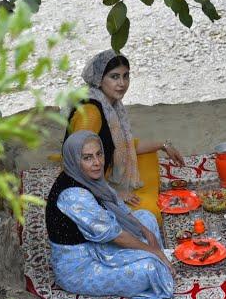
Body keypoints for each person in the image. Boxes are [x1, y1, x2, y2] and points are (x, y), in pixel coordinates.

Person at [45, 130, 174, 299]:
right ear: (75, 160)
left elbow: (116, 203)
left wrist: (145, 232)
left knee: (146, 218)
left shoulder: (87, 176)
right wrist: (153, 251)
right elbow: (115, 235)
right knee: (150, 269)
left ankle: (159, 260)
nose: (97, 162)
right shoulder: (73, 195)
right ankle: (160, 262)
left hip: (98, 245)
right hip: (80, 267)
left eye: (99, 154)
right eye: (87, 158)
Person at [64, 51, 185, 224]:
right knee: (149, 215)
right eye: (114, 77)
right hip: (89, 185)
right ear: (99, 79)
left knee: (149, 157)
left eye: (125, 76)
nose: (122, 83)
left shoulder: (111, 105)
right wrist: (113, 194)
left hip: (101, 169)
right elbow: (76, 164)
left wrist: (164, 145)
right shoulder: (91, 114)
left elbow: (124, 145)